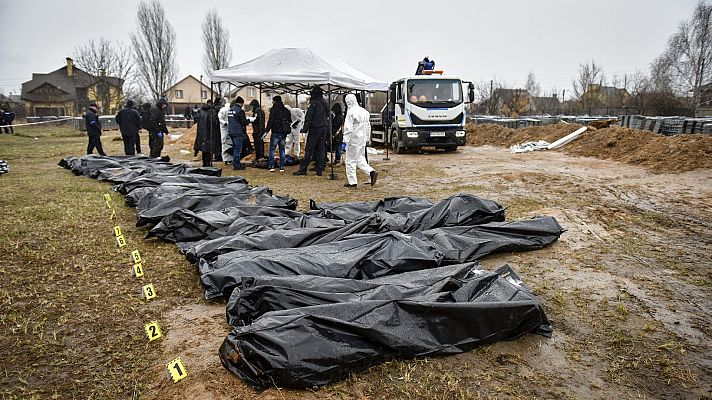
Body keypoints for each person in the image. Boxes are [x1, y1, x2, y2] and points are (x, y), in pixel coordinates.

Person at [342, 93, 377, 188]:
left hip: (353, 140)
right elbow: (368, 126)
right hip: (362, 140)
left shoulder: (350, 112)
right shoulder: (364, 111)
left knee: (350, 161)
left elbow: (348, 128)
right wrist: (367, 138)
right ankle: (371, 172)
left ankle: (352, 182)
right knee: (360, 159)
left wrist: (345, 141)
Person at [294, 87, 328, 176]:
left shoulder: (313, 104)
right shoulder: (324, 103)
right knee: (321, 149)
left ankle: (303, 169)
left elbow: (308, 117)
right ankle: (319, 169)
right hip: (323, 128)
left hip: (315, 128)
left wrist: (305, 129)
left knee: (309, 149)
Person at [264, 95, 292, 172]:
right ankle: (282, 167)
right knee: (282, 149)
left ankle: (271, 166)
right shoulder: (285, 110)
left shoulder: (273, 109)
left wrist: (266, 130)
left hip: (275, 132)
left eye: (273, 101)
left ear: (275, 101)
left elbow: (270, 121)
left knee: (272, 149)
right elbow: (290, 120)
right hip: (283, 133)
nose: (272, 102)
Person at [227, 96, 249, 170]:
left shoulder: (230, 110)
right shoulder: (240, 111)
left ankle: (235, 162)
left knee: (235, 148)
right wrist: (249, 120)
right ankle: (236, 165)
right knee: (237, 148)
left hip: (231, 131)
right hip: (238, 132)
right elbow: (243, 122)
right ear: (241, 103)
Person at [194, 100, 214, 167]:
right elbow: (212, 123)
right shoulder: (210, 112)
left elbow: (197, 121)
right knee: (208, 149)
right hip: (208, 133)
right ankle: (207, 163)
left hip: (201, 133)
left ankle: (204, 163)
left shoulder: (201, 112)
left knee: (204, 149)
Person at [218, 98, 232, 164]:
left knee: (224, 143)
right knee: (229, 143)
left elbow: (220, 118)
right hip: (228, 128)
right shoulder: (230, 110)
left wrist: (224, 123)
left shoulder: (222, 110)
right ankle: (229, 158)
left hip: (224, 128)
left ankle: (226, 159)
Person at [211, 97, 223, 162]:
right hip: (221, 127)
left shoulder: (213, 108)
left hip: (214, 128)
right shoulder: (221, 108)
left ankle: (216, 155)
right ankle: (220, 155)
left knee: (215, 143)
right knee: (220, 142)